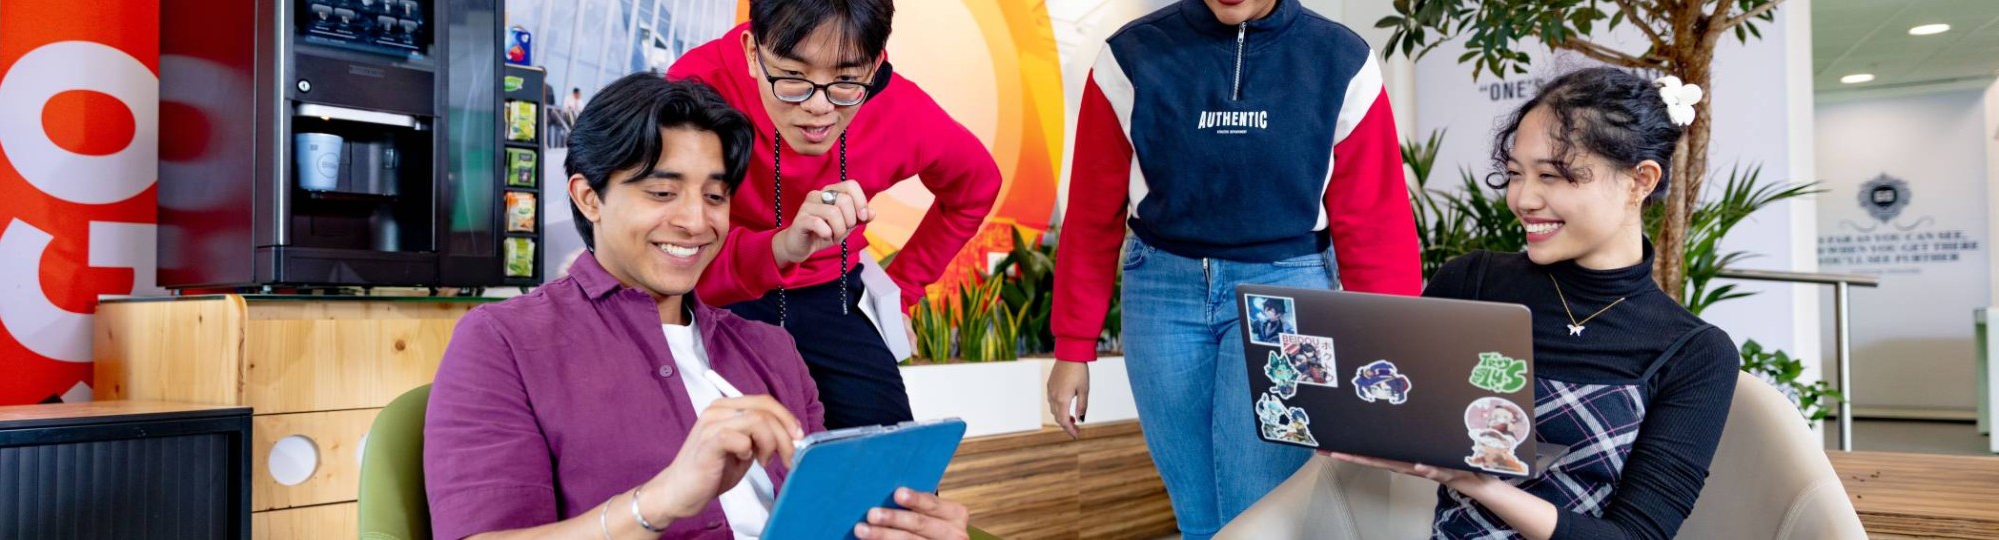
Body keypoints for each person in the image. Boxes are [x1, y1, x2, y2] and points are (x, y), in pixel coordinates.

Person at [423, 75, 969, 540]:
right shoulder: (503, 341)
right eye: (662, 193)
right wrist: (658, 502)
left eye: (715, 196)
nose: (695, 222)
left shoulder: (772, 350)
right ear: (589, 198)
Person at [1045, 0, 1422, 536]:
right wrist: (1073, 347)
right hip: (1162, 293)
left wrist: (1387, 357)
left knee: (1264, 513)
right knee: (1197, 517)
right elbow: (1091, 211)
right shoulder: (1129, 57)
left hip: (1288, 292)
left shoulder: (1341, 60)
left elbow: (1375, 220)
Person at [1326, 67, 1740, 540]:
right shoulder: (1471, 283)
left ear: (1639, 180)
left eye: (1551, 176)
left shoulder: (1694, 352)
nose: (1523, 199)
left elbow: (1637, 536)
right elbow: (1389, 405)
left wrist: (1478, 484)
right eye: (1515, 174)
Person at [668, 0, 1002, 430]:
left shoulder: (900, 109)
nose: (818, 106)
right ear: (753, 52)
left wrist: (903, 289)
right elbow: (668, 236)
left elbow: (976, 186)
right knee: (736, 448)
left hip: (833, 291)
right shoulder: (696, 91)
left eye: (845, 80)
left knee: (890, 453)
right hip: (717, 290)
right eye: (792, 77)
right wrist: (780, 247)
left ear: (875, 65)